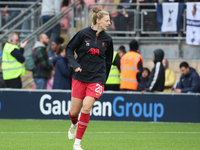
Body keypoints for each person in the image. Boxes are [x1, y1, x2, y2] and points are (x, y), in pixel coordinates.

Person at [66, 6, 113, 150]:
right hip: (80, 77)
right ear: (98, 21)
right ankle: (74, 123)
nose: (109, 23)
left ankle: (77, 143)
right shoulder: (83, 34)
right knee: (74, 112)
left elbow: (108, 61)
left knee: (86, 109)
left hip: (97, 79)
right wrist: (75, 65)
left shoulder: (108, 39)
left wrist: (103, 79)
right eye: (107, 20)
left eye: (109, 20)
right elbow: (69, 49)